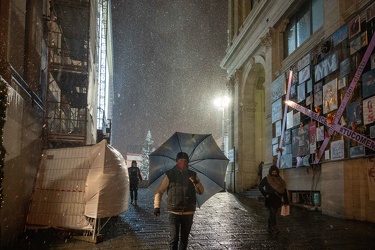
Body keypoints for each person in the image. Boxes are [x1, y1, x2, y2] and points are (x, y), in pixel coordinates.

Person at [153, 152, 204, 250]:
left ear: (188, 162)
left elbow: (201, 191)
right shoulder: (170, 175)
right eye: (181, 161)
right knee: (174, 239)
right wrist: (156, 206)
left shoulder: (193, 175)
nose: (183, 163)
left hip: (188, 212)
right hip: (174, 212)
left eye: (185, 161)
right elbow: (159, 191)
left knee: (184, 240)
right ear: (177, 162)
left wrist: (196, 182)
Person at [259, 165, 289, 234]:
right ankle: (274, 227)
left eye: (275, 172)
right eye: (273, 172)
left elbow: (284, 190)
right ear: (270, 172)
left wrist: (286, 200)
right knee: (273, 213)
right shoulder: (267, 178)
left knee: (273, 214)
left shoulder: (280, 180)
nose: (274, 173)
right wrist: (265, 194)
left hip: (277, 200)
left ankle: (269, 226)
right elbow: (260, 186)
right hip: (270, 199)